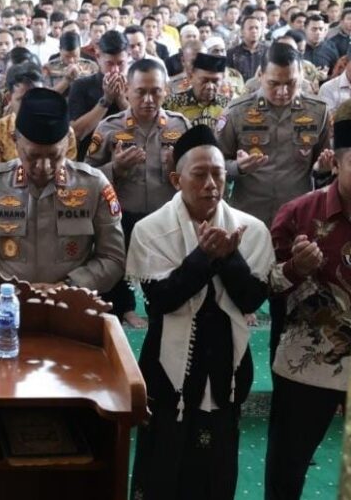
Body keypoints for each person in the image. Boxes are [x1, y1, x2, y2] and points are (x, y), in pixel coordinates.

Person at [127, 125, 272, 500]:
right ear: (176, 180)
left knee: (215, 470)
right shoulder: (150, 230)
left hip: (227, 367)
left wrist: (229, 258)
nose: (211, 185)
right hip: (166, 371)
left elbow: (251, 300)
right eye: (199, 175)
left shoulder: (253, 230)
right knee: (162, 467)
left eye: (218, 174)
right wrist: (205, 257)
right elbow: (162, 300)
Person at [218, 42, 331, 354]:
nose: (282, 92)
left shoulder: (318, 111)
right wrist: (237, 168)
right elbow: (214, 164)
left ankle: (283, 370)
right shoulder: (237, 111)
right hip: (249, 224)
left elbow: (325, 166)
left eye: (290, 83)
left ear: (301, 76)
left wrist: (323, 169)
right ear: (260, 76)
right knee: (236, 302)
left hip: (296, 226)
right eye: (274, 84)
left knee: (290, 305)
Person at [265, 104, 351, 500]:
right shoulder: (299, 214)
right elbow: (265, 287)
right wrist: (296, 269)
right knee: (287, 469)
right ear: (336, 163)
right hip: (309, 365)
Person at [0, 87, 125, 291]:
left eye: (55, 156)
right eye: (33, 156)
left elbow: (113, 258)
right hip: (8, 302)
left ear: (68, 142)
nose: (43, 167)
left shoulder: (93, 185)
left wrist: (69, 287)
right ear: (15, 141)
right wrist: (8, 289)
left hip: (73, 301)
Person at [85, 58, 191, 328]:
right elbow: (87, 175)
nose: (148, 99)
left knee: (167, 267)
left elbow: (195, 172)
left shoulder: (180, 126)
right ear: (127, 91)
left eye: (155, 91)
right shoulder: (109, 127)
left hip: (165, 214)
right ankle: (126, 308)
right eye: (140, 92)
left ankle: (164, 308)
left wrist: (176, 168)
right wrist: (115, 168)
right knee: (118, 265)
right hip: (123, 213)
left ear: (166, 90)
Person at [0, 63, 77, 170]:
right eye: (22, 99)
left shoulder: (65, 134)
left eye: (38, 98)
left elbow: (67, 176)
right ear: (9, 98)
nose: (32, 106)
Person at [68, 30, 130, 160]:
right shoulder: (81, 86)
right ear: (98, 57)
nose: (115, 70)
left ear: (128, 57)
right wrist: (106, 100)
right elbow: (76, 134)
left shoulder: (136, 86)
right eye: (110, 63)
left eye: (120, 63)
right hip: (88, 160)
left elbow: (144, 128)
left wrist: (121, 100)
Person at [164, 52, 229, 128]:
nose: (210, 87)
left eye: (215, 81)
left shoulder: (227, 106)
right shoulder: (172, 104)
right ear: (191, 77)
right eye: (204, 81)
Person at [42, 31, 97, 96]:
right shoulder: (48, 68)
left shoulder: (91, 66)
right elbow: (47, 96)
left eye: (75, 56)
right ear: (60, 50)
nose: (71, 60)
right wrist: (66, 80)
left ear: (80, 50)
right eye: (67, 56)